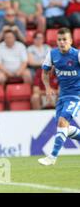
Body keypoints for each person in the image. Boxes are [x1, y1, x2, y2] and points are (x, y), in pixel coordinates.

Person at [38, 28, 80, 166]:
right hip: (62, 96)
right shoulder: (52, 54)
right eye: (59, 40)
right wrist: (48, 87)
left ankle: (52, 157)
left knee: (63, 122)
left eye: (65, 40)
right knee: (64, 129)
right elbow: (44, 73)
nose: (62, 42)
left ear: (71, 41)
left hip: (76, 96)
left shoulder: (77, 55)